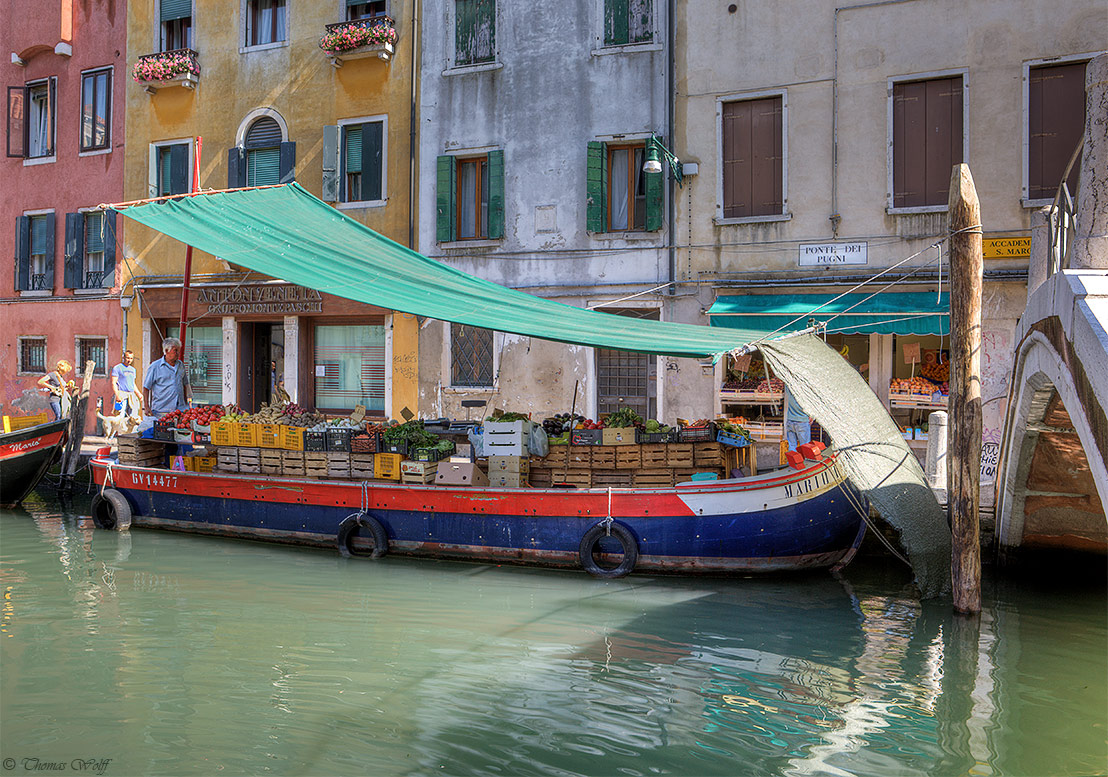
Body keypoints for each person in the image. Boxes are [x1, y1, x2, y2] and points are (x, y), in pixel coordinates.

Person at [143, 337, 192, 416]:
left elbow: (185, 384)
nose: (178, 353)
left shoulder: (180, 365)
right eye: (175, 350)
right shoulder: (155, 366)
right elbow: (146, 387)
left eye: (178, 351)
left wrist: (188, 402)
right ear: (166, 351)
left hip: (180, 409)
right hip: (161, 410)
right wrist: (146, 406)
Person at [111, 350, 142, 416]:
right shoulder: (117, 368)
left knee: (133, 416)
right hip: (122, 394)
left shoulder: (133, 370)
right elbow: (114, 383)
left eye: (131, 358)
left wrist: (138, 394)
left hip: (131, 395)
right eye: (128, 358)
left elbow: (132, 383)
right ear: (123, 357)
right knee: (120, 416)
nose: (129, 360)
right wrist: (117, 395)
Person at [783, 384, 811, 452]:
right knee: (805, 447)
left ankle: (792, 462)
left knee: (792, 446)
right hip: (802, 420)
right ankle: (804, 463)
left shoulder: (788, 384)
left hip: (790, 420)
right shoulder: (805, 387)